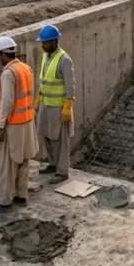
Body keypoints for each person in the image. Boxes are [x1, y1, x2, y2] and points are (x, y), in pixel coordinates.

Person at [0, 35, 38, 213]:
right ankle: (21, 195)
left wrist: (1, 127)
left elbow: (8, 102)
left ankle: (4, 202)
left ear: (3, 55)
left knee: (5, 164)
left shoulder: (8, 73)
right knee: (23, 161)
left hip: (13, 125)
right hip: (27, 122)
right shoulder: (25, 68)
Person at [35, 25, 75, 184]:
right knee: (47, 135)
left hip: (59, 107)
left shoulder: (64, 60)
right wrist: (38, 99)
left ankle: (62, 171)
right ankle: (52, 164)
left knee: (61, 140)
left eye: (45, 42)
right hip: (46, 104)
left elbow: (70, 86)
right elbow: (44, 80)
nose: (42, 45)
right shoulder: (46, 56)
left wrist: (67, 106)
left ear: (54, 41)